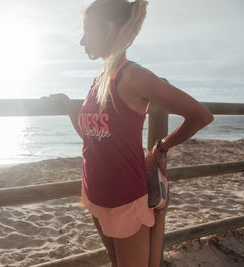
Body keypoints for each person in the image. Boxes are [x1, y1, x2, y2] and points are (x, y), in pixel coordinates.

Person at [43, 0, 214, 266]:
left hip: (126, 200)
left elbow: (200, 115)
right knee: (114, 260)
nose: (81, 41)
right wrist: (68, 105)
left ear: (108, 29)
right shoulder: (98, 81)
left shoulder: (132, 76)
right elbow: (92, 137)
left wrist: (162, 147)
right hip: (95, 194)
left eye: (87, 31)